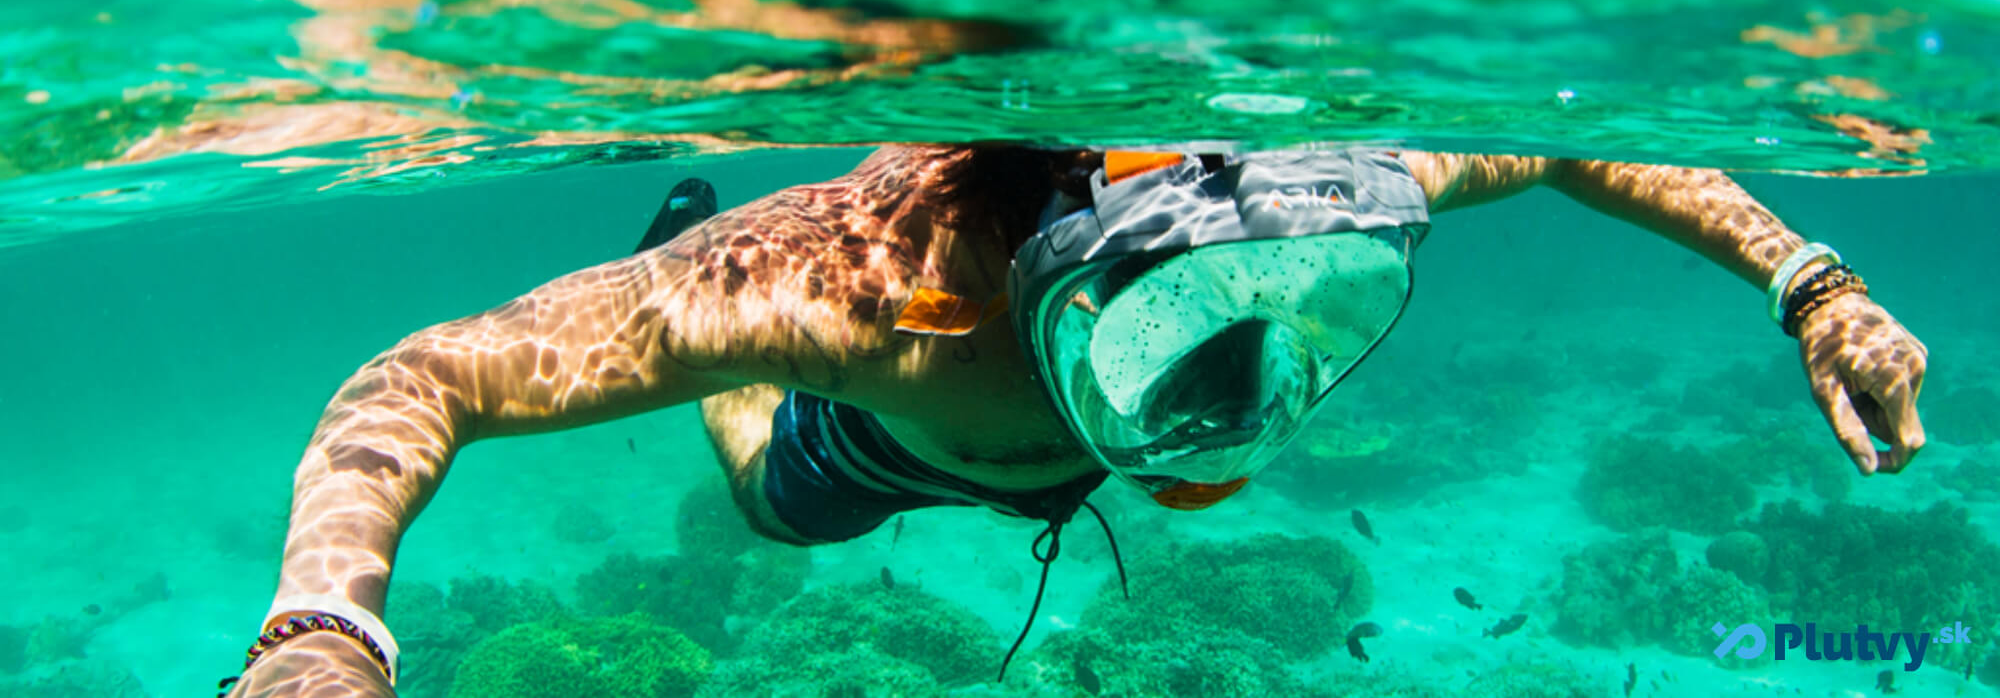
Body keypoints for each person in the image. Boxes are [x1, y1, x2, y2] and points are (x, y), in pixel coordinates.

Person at [221, 143, 1930, 696]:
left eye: (1293, 302)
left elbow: (1576, 140)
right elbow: (416, 375)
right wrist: (326, 630)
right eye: (1159, 333)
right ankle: (682, 243)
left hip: (1008, 416)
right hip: (891, 440)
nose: (1233, 384)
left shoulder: (1301, 180)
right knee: (773, 500)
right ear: (1031, 291)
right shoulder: (864, 287)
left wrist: (1814, 282)